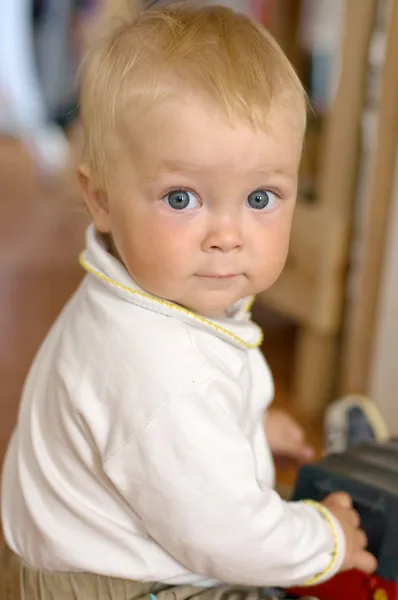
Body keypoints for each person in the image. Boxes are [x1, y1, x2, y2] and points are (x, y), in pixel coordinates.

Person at [0, 3, 377, 599]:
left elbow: (168, 430)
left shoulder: (139, 296)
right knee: (274, 565)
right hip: (120, 585)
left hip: (76, 553)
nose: (227, 234)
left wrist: (243, 423)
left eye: (261, 198)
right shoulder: (163, 372)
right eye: (181, 199)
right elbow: (230, 536)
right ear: (100, 199)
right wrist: (326, 538)